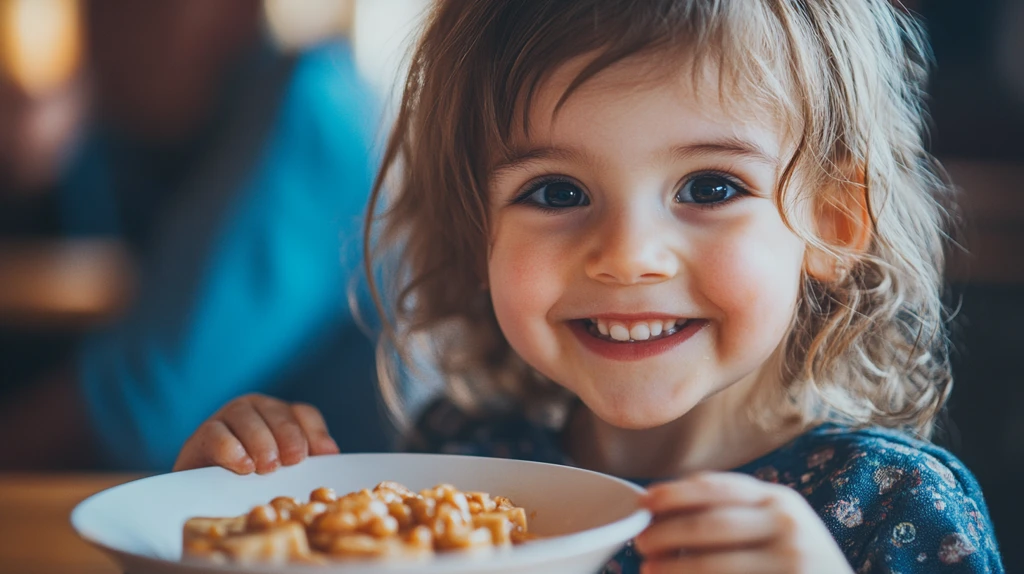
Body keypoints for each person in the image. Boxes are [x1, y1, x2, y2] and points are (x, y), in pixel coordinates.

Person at [175, 0, 1005, 572]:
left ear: (831, 223)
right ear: (477, 232)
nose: (627, 257)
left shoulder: (889, 507)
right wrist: (236, 519)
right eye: (557, 193)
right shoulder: (467, 465)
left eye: (710, 187)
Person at [0, 0, 391, 471]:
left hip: (348, 517)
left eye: (136, 9)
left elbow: (134, 413)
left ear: (237, 10)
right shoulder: (160, 129)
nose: (99, 29)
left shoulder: (311, 111)